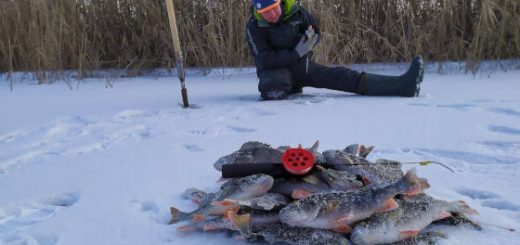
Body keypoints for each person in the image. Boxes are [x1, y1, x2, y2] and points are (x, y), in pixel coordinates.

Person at [246, 0, 424, 100]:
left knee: (342, 76)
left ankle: (402, 86)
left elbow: (314, 31)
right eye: (266, 12)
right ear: (258, 11)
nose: (271, 15)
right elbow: (264, 59)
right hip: (276, 71)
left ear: (280, 2)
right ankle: (289, 86)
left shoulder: (297, 11)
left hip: (303, 66)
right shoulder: (253, 26)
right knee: (273, 86)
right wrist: (295, 53)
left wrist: (310, 39)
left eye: (273, 8)